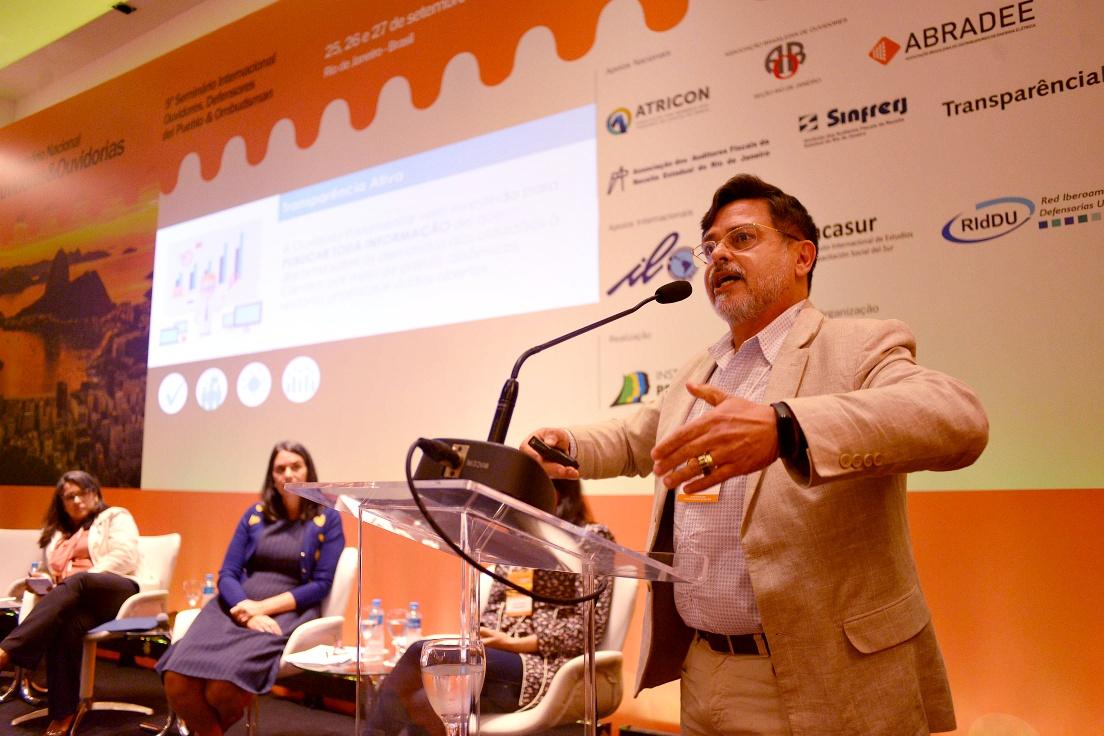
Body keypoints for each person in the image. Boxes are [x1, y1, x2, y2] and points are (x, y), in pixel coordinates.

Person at [521, 174, 989, 736]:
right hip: (703, 669)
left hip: (823, 676)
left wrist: (784, 426)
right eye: (710, 246)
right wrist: (569, 445)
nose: (719, 255)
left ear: (802, 256)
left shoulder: (857, 347)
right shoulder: (704, 368)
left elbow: (957, 418)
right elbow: (638, 438)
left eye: (741, 239)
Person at [366, 479, 614, 736]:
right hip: (495, 655)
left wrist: (515, 643)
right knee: (421, 700)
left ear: (556, 494)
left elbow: (590, 627)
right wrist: (483, 635)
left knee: (424, 652)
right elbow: (496, 604)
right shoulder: (517, 537)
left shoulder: (590, 538)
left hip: (547, 664)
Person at [157, 441, 344, 736]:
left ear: (309, 471)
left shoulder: (328, 519)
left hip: (288, 612)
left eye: (296, 466)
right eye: (280, 469)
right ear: (272, 476)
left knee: (223, 689)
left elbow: (320, 585)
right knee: (176, 680)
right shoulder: (255, 514)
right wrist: (245, 610)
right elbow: (228, 573)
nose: (288, 474)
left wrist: (261, 609)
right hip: (233, 606)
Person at [0, 470, 148, 736]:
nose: (77, 500)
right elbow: (53, 570)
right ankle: (63, 712)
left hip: (117, 591)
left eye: (83, 492)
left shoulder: (115, 516)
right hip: (77, 601)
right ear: (62, 503)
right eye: (70, 496)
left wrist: (85, 578)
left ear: (96, 494)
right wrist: (46, 580)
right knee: (67, 623)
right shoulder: (59, 534)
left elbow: (125, 556)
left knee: (78, 582)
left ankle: (6, 653)